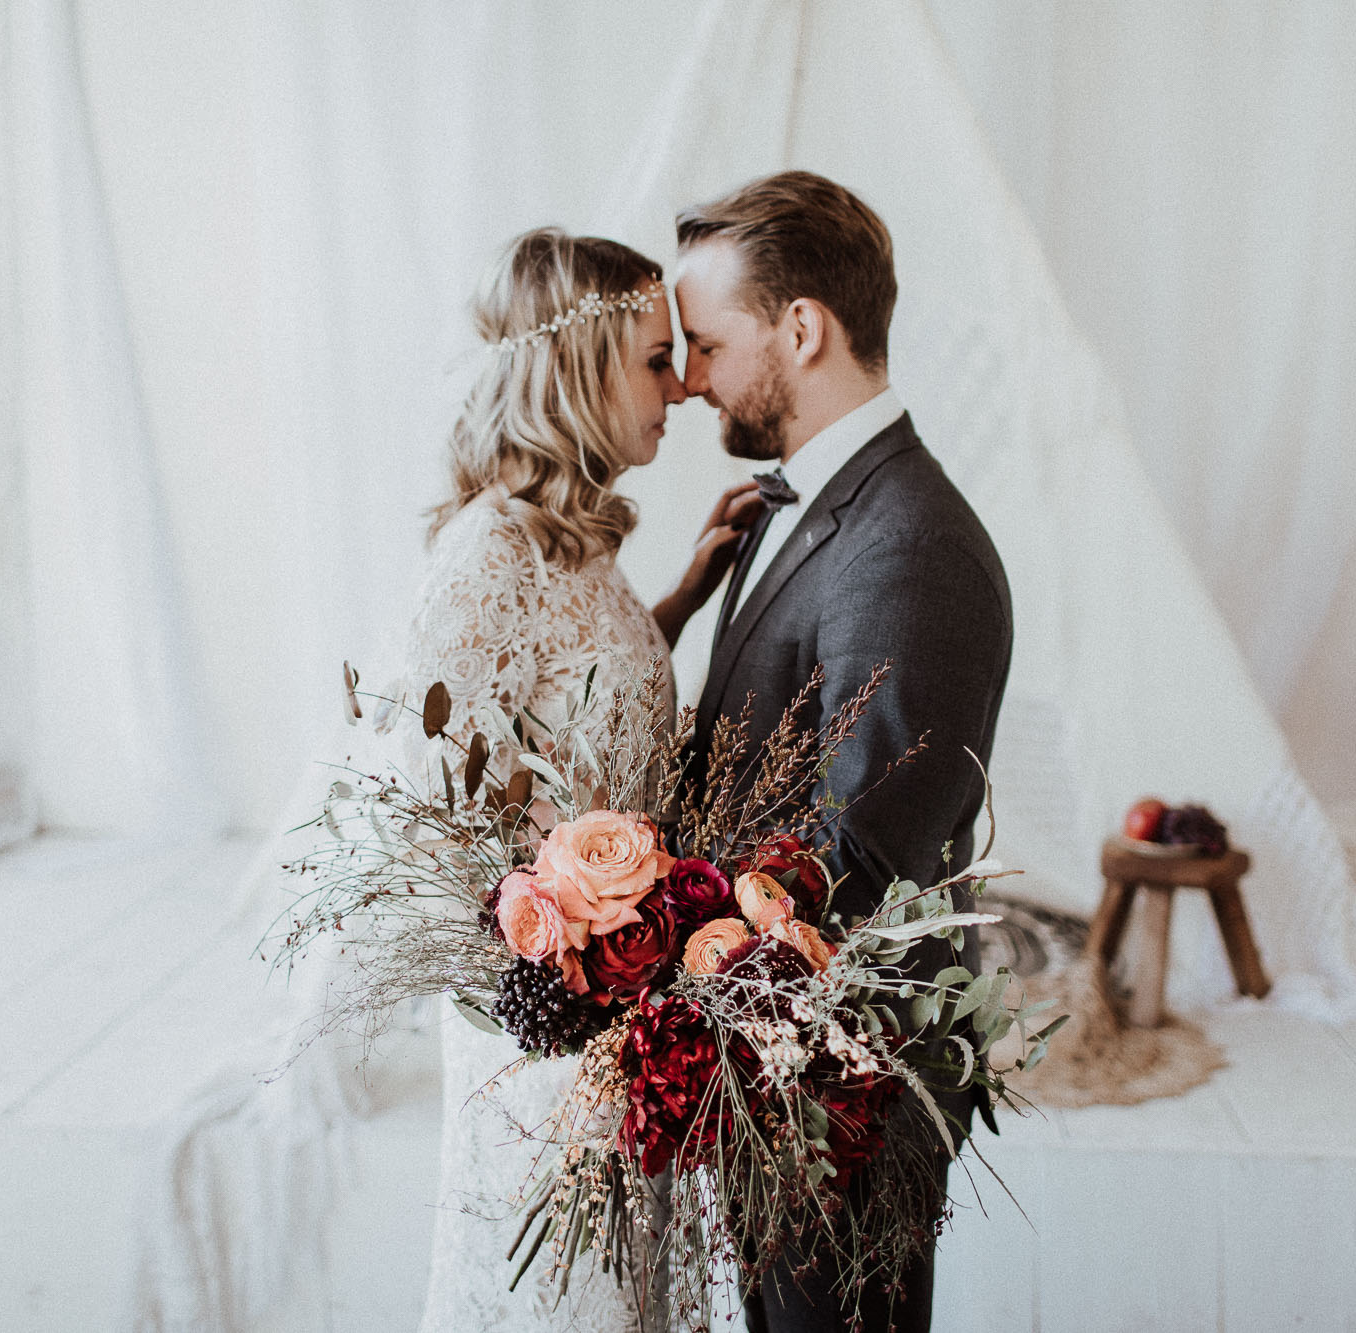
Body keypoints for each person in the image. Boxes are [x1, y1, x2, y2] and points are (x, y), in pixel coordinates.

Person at [675, 171, 1014, 1333]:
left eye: (708, 342)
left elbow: (853, 850)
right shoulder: (815, 506)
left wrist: (644, 932)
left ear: (801, 328)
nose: (689, 378)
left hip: (845, 1080)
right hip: (776, 1052)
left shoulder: (906, 542)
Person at [405, 227, 754, 1333]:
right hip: (543, 1041)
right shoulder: (488, 553)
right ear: (580, 364)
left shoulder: (574, 545)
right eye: (656, 358)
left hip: (613, 1024)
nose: (682, 385)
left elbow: (563, 715)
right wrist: (573, 960)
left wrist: (683, 597)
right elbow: (438, 796)